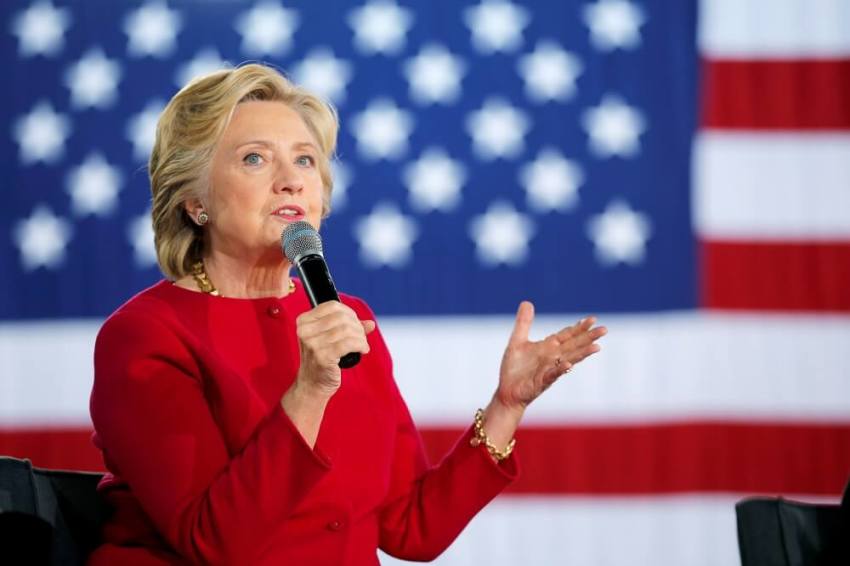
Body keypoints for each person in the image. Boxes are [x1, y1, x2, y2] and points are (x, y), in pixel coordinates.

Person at [88, 63, 606, 565]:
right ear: (194, 201)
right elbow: (215, 542)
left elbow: (412, 528)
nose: (291, 181)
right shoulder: (146, 334)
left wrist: (506, 406)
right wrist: (310, 390)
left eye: (305, 160)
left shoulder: (346, 319)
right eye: (255, 158)